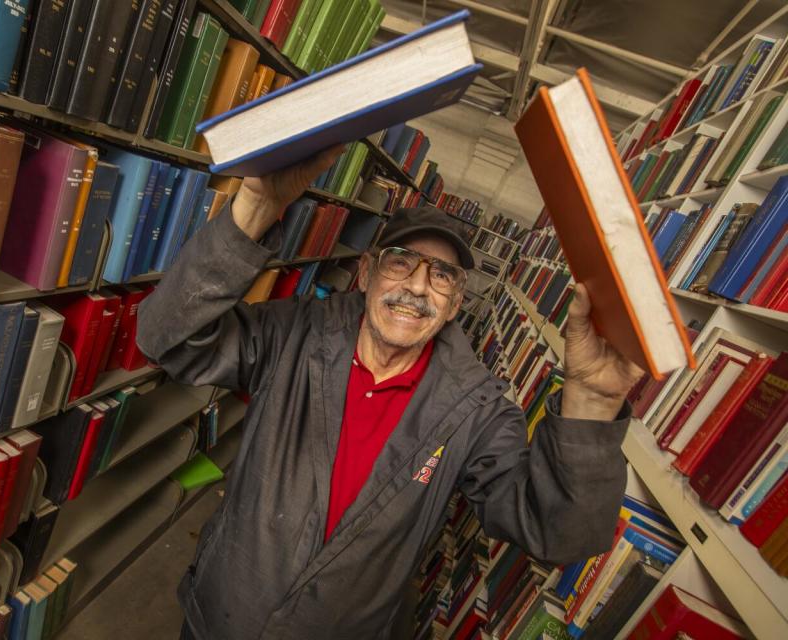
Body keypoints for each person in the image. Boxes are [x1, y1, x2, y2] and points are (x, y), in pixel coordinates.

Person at [136, 147, 642, 640]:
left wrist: (593, 403)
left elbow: (554, 534)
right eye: (401, 262)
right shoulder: (294, 333)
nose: (419, 286)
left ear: (454, 304)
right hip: (219, 619)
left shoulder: (477, 410)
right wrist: (256, 209)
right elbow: (169, 341)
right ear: (367, 274)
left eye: (441, 275)